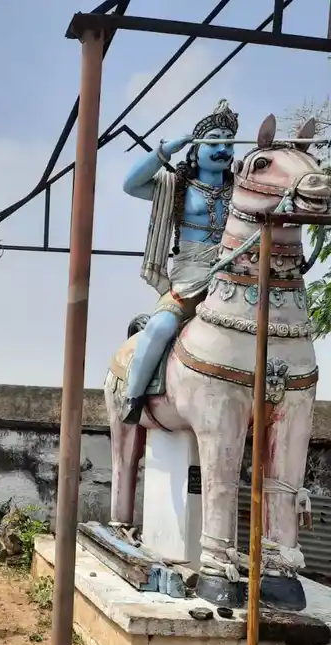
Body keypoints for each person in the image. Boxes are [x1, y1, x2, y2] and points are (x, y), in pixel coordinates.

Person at [121, 99, 239, 424]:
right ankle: (133, 394)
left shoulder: (241, 189)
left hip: (235, 281)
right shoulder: (177, 187)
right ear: (195, 149)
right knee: (160, 327)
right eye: (213, 142)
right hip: (189, 281)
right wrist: (163, 151)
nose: (222, 149)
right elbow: (131, 184)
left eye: (228, 144)